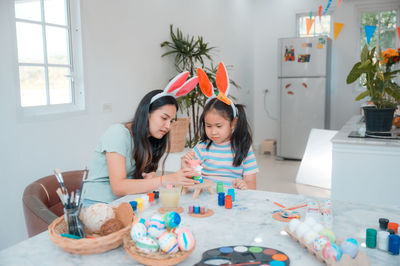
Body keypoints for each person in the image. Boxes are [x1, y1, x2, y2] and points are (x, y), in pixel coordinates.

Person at [84, 73, 200, 205]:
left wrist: (151, 178)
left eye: (172, 121)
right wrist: (166, 179)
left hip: (124, 203)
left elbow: (138, 180)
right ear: (147, 113)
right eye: (164, 118)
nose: (168, 126)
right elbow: (118, 187)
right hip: (97, 205)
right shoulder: (118, 133)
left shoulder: (150, 139)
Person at [182, 63, 258, 189]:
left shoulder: (243, 148)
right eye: (208, 126)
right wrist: (186, 165)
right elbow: (193, 180)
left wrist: (244, 185)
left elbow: (252, 185)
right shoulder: (201, 147)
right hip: (207, 201)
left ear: (233, 123)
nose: (213, 132)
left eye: (219, 126)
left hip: (232, 202)